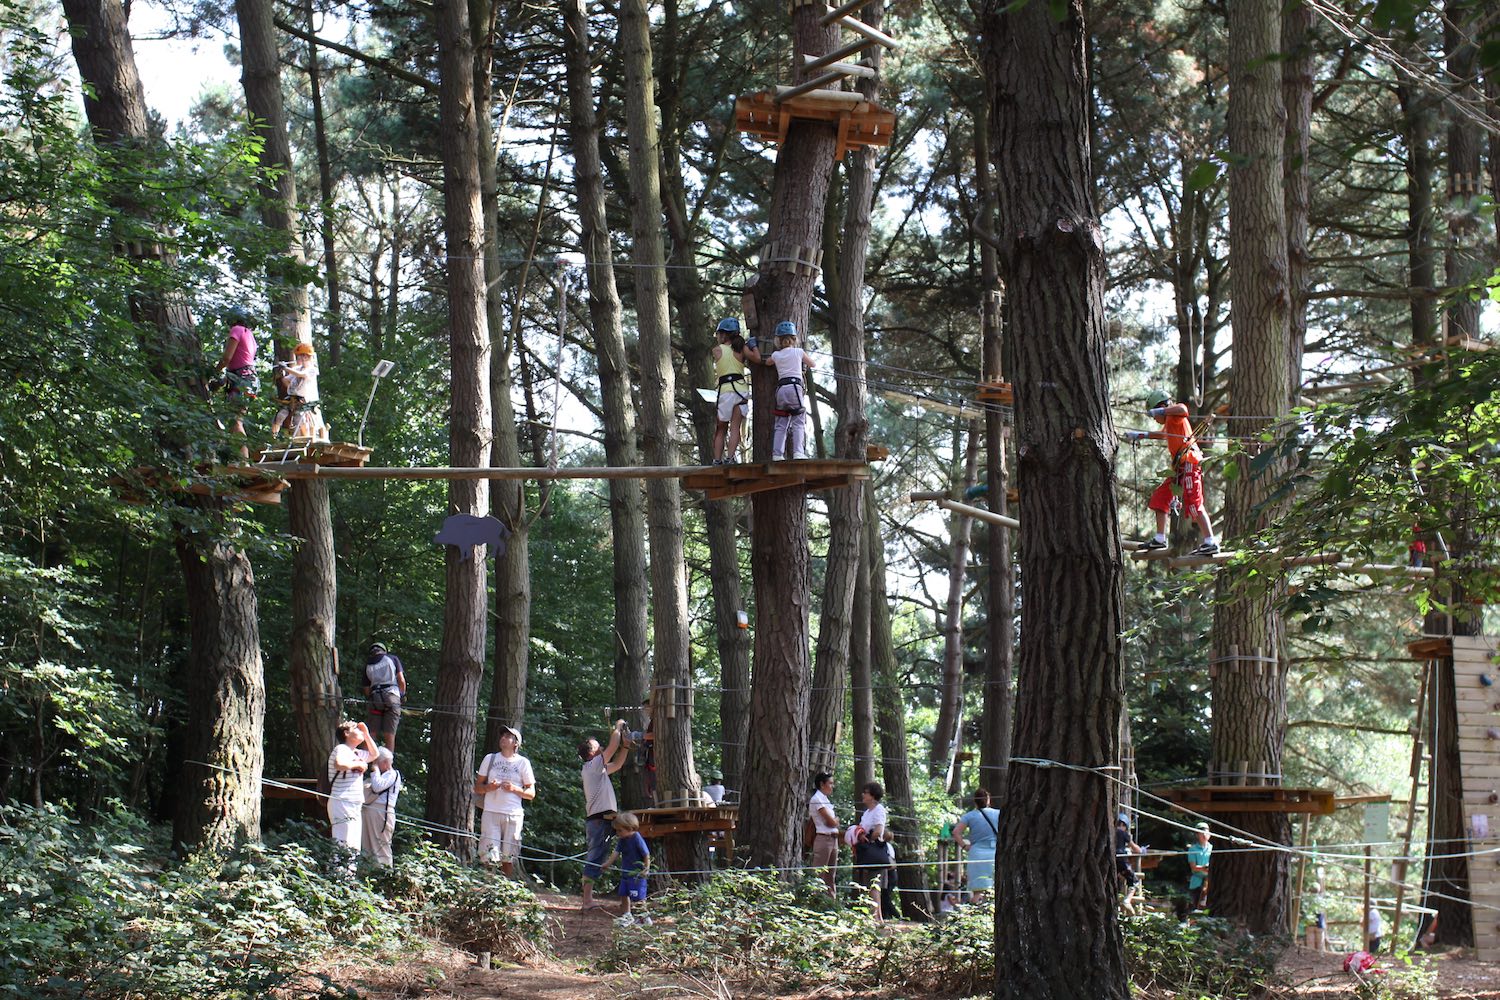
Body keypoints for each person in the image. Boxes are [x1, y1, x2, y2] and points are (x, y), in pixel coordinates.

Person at [1125, 391, 1220, 556]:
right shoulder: (1170, 422)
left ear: (1161, 407)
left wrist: (1161, 412)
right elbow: (1162, 435)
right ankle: (1160, 538)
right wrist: (1141, 435)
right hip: (1179, 468)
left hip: (1190, 462)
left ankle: (1210, 542)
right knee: (1160, 498)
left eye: (1155, 414)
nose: (1154, 419)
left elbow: (1183, 409)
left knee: (1193, 503)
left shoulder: (1175, 416)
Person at [579, 720, 631, 910]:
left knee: (598, 856)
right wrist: (617, 727)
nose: (600, 747)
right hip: (599, 820)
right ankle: (587, 901)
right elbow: (611, 747)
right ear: (591, 753)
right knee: (595, 857)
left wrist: (625, 746)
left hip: (603, 820)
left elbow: (617, 764)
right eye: (596, 746)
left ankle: (588, 899)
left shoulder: (597, 769)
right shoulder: (592, 765)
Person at [474, 724, 535, 876]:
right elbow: (478, 787)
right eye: (502, 736)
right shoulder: (490, 758)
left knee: (509, 856)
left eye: (508, 736)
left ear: (516, 743)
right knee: (489, 854)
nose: (503, 738)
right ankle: (489, 887)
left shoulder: (523, 762)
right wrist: (489, 787)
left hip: (513, 814)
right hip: (491, 812)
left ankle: (506, 890)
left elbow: (531, 793)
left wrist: (515, 789)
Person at [710, 318, 760, 465]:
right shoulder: (741, 349)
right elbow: (757, 358)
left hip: (725, 391)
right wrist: (754, 346)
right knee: (735, 427)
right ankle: (730, 458)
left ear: (724, 335)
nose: (718, 337)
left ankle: (717, 460)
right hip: (740, 390)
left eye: (719, 334)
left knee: (721, 429)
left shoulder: (717, 350)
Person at [764, 320, 815, 460]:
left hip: (781, 390)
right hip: (794, 389)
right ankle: (798, 452)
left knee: (781, 423)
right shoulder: (799, 352)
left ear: (778, 340)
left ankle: (777, 454)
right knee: (798, 421)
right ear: (794, 339)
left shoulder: (776, 355)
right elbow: (813, 364)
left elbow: (767, 362)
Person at [327, 720, 378, 854]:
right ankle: (338, 873)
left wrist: (367, 735)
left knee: (353, 843)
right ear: (347, 733)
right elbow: (339, 764)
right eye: (357, 729)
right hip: (341, 800)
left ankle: (349, 874)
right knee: (342, 840)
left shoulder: (356, 753)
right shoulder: (341, 749)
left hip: (354, 802)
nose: (361, 731)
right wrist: (357, 765)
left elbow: (374, 754)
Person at [212, 312, 259, 447]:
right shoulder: (249, 334)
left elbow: (227, 358)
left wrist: (214, 373)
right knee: (236, 420)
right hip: (248, 379)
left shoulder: (236, 330)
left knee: (236, 421)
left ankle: (244, 461)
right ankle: (240, 458)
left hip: (242, 379)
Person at [952, 788, 1001, 902]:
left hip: (977, 854)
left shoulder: (969, 816)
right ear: (988, 800)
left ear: (975, 801)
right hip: (996, 853)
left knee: (978, 891)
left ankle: (978, 914)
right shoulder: (998, 813)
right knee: (997, 888)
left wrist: (964, 846)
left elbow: (956, 832)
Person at [605, 811, 652, 927]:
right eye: (617, 830)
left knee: (639, 897)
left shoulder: (637, 838)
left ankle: (644, 918)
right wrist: (607, 864)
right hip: (625, 873)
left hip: (637, 875)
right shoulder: (622, 840)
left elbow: (646, 855)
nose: (618, 833)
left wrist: (646, 869)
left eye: (620, 830)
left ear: (630, 828)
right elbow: (615, 853)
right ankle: (627, 915)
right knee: (624, 894)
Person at [851, 781, 888, 921]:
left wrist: (868, 838)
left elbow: (878, 830)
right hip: (865, 851)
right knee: (868, 884)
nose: (863, 795)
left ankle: (877, 918)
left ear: (872, 796)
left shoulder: (879, 810)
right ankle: (873, 916)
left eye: (865, 792)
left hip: (874, 850)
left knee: (874, 884)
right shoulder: (866, 812)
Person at [361, 747, 402, 867]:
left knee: (381, 846)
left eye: (376, 762)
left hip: (382, 813)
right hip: (371, 812)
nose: (374, 765)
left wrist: (375, 771)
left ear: (383, 762)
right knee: (367, 844)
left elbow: (377, 787)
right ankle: (367, 873)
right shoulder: (380, 775)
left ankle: (384, 874)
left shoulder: (392, 774)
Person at [363, 642, 407, 750]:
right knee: (389, 735)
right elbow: (401, 680)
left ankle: (362, 763)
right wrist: (401, 696)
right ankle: (387, 765)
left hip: (375, 699)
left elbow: (366, 689)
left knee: (371, 734)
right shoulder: (392, 659)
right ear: (384, 650)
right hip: (392, 696)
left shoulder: (367, 665)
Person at [808, 772, 841, 897]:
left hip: (833, 839)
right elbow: (831, 822)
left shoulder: (825, 800)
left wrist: (835, 822)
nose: (832, 786)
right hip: (823, 839)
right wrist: (836, 820)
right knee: (819, 873)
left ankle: (831, 902)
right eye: (830, 783)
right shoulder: (817, 799)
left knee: (830, 875)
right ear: (822, 784)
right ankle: (814, 900)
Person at [1114, 811, 1143, 915]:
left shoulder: (1111, 832)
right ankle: (1127, 900)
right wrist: (1142, 850)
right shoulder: (1123, 833)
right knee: (1134, 881)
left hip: (1113, 860)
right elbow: (1135, 848)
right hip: (1122, 860)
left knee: (1116, 879)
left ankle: (1115, 902)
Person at [1187, 821, 1212, 912]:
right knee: (1195, 907)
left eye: (1206, 832)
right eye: (1202, 833)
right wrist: (1204, 868)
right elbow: (1193, 867)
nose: (1204, 835)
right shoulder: (1193, 849)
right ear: (1197, 835)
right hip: (1196, 883)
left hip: (1210, 882)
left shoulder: (1212, 848)